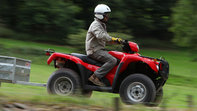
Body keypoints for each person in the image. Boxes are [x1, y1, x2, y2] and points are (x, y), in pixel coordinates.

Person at [85, 4, 122, 86]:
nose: (107, 17)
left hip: (99, 50)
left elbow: (106, 39)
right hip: (94, 50)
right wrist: (113, 39)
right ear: (100, 15)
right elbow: (100, 35)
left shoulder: (102, 25)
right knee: (112, 60)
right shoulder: (95, 24)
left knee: (118, 58)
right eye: (106, 15)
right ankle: (95, 77)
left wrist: (119, 42)